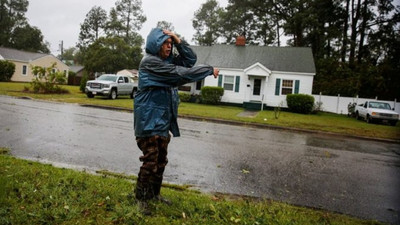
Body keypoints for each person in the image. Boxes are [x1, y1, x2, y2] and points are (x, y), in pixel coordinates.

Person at [133, 28, 219, 214]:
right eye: (165, 42)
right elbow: (181, 74)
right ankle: (141, 199)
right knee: (151, 161)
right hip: (148, 121)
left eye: (170, 43)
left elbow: (189, 61)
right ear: (155, 45)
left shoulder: (166, 61)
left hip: (162, 121)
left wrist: (179, 40)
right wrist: (209, 69)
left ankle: (154, 194)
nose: (169, 45)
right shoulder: (151, 63)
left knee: (161, 161)